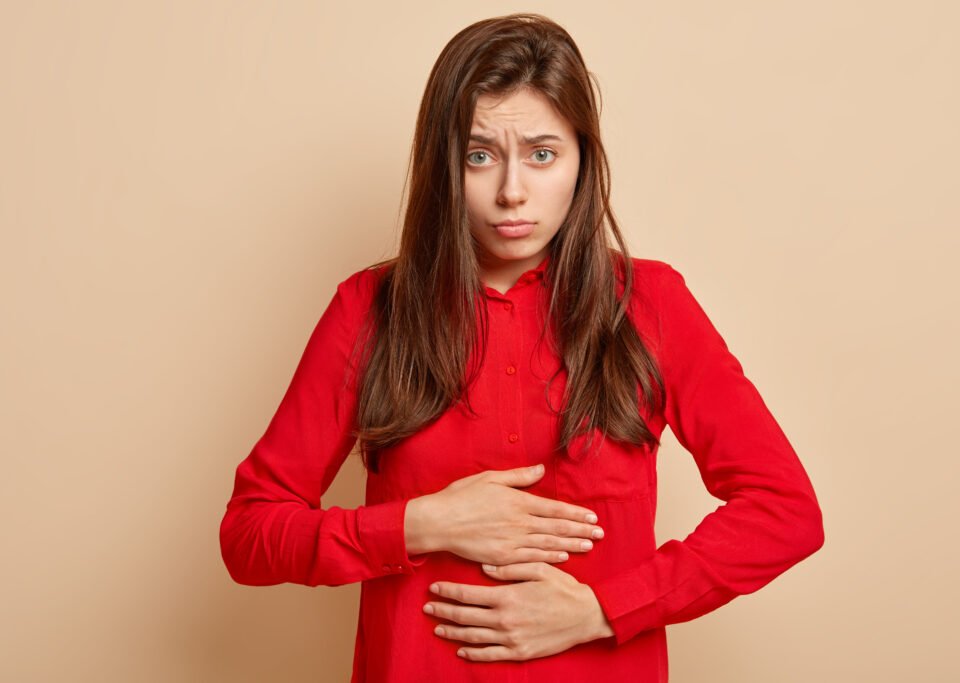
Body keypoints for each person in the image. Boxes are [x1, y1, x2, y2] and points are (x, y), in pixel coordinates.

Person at [219, 12, 824, 683]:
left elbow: (786, 511)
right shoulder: (371, 309)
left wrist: (602, 609)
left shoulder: (650, 303)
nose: (512, 191)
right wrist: (419, 524)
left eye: (542, 154)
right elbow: (249, 534)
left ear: (582, 160)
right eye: (479, 155)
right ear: (443, 164)